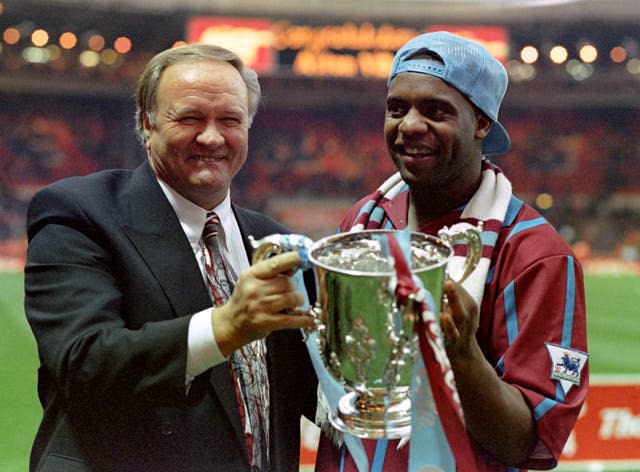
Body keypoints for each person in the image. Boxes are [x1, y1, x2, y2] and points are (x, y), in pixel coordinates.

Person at [24, 44, 317, 471]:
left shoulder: (273, 239)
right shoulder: (80, 212)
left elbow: (309, 391)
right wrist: (228, 325)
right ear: (147, 123)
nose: (213, 137)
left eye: (230, 120)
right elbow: (83, 361)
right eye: (190, 118)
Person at [314, 31, 588, 472]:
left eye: (436, 110)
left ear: (482, 123)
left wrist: (460, 352)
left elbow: (527, 442)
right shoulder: (363, 223)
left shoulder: (535, 253)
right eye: (396, 108)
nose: (409, 125)